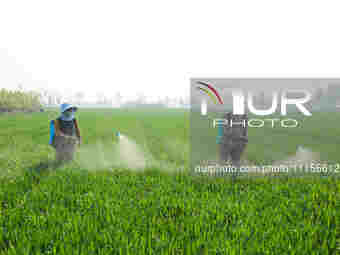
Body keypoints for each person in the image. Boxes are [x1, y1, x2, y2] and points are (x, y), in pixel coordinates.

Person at [219, 112, 248, 178]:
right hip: (227, 142)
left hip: (238, 142)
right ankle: (222, 178)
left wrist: (244, 141)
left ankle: (233, 178)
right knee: (224, 161)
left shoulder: (244, 117)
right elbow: (224, 130)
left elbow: (245, 131)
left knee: (235, 162)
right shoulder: (227, 116)